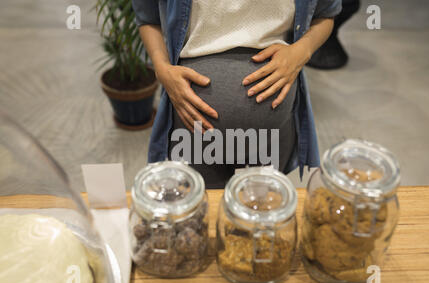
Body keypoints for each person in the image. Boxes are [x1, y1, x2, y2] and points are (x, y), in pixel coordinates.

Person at [132, 0, 342, 188]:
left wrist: (302, 51)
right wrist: (161, 67)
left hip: (270, 134)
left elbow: (325, 13)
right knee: (198, 221)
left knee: (262, 222)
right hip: (192, 128)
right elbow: (148, 16)